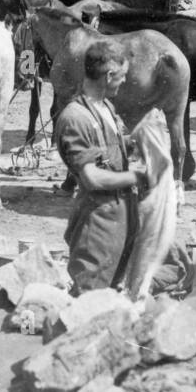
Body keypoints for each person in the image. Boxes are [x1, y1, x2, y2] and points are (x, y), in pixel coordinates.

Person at [54, 41, 149, 293]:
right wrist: (138, 175)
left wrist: (141, 140)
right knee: (89, 296)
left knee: (114, 294)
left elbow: (112, 149)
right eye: (123, 75)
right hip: (97, 223)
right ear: (109, 75)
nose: (125, 81)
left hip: (122, 216)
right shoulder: (75, 118)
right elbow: (92, 178)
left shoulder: (105, 107)